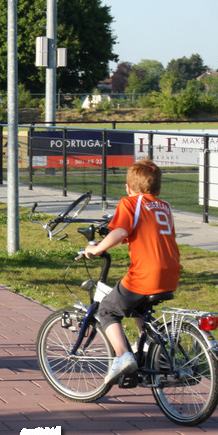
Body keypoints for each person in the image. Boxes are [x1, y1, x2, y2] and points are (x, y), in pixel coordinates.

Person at [83, 159, 182, 384]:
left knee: (108, 309)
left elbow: (120, 232)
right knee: (137, 306)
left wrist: (97, 249)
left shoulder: (129, 203)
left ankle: (123, 357)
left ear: (128, 188)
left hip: (147, 274)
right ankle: (151, 352)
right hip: (171, 272)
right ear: (158, 189)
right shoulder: (165, 206)